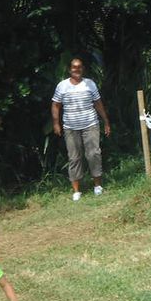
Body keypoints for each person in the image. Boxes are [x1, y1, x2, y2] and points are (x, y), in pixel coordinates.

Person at [51, 58, 112, 201]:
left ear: (83, 69)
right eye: (74, 67)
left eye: (79, 67)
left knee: (94, 154)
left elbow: (98, 103)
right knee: (74, 157)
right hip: (71, 128)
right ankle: (76, 191)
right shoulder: (62, 86)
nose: (76, 69)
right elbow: (55, 105)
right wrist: (55, 123)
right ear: (69, 69)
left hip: (90, 124)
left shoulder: (89, 84)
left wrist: (106, 122)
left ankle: (97, 186)